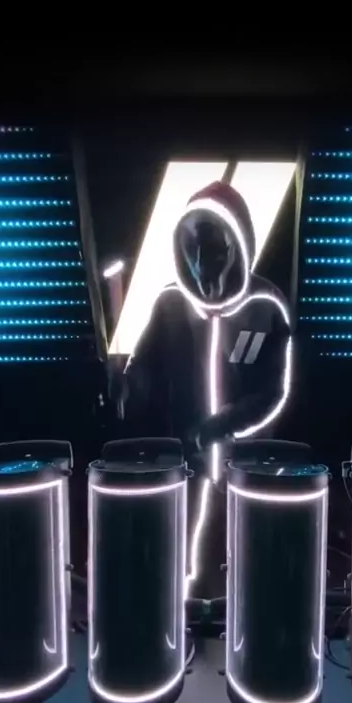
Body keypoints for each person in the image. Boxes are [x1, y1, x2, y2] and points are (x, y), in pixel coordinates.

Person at [119, 181, 292, 600]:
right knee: (182, 565)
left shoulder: (265, 306)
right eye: (192, 248)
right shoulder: (170, 304)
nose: (201, 262)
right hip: (186, 461)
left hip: (247, 463)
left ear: (236, 245)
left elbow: (275, 392)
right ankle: (184, 618)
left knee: (249, 564)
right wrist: (126, 388)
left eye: (213, 248)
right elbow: (143, 368)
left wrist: (223, 424)